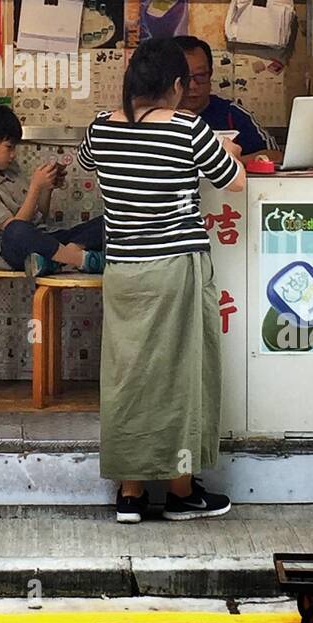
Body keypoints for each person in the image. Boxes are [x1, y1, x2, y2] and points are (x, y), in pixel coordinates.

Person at [77, 37, 247, 523]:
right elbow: (234, 180)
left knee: (128, 375)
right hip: (175, 268)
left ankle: (130, 493)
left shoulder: (101, 130)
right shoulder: (190, 130)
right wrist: (223, 147)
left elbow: (89, 162)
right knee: (178, 376)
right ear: (176, 85)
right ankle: (179, 490)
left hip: (124, 271)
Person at [0, 99, 105, 276]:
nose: (13, 154)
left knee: (107, 223)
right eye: (9, 147)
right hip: (10, 252)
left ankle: (55, 260)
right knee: (15, 231)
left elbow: (40, 218)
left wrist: (47, 188)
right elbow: (16, 229)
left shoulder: (10, 169)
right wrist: (35, 188)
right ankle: (78, 259)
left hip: (43, 242)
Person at [175, 35, 273, 157]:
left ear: (210, 75)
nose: (192, 85)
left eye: (200, 75)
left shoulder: (233, 114)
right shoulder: (154, 117)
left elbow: (275, 156)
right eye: (184, 77)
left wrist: (228, 164)